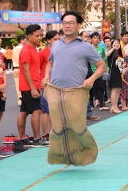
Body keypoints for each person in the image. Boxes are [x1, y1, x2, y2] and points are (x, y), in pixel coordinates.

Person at [42, 11, 106, 165]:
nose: (67, 26)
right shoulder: (56, 45)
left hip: (77, 92)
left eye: (71, 23)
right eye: (64, 23)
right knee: (58, 126)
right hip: (55, 91)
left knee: (76, 126)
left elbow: (101, 66)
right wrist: (46, 76)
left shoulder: (86, 47)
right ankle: (59, 156)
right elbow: (50, 62)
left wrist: (91, 79)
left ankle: (84, 154)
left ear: (78, 25)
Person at [16, 24, 46, 147]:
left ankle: (22, 138)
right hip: (29, 87)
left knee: (23, 112)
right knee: (37, 111)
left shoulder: (34, 49)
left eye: (40, 35)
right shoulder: (26, 50)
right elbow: (26, 71)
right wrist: (33, 88)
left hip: (33, 85)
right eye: (37, 36)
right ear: (29, 36)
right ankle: (37, 138)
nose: (39, 38)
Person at [38, 30, 59, 143]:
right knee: (45, 111)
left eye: (58, 39)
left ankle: (53, 132)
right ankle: (45, 134)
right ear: (49, 40)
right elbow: (38, 68)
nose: (57, 41)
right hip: (46, 85)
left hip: (58, 84)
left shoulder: (60, 52)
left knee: (54, 110)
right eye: (55, 39)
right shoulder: (42, 53)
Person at [0, 28, 11, 157]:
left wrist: (4, 85)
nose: (0, 40)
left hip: (0, 89)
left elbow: (3, 70)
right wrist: (0, 87)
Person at [90, 32, 109, 111]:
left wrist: (106, 70)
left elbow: (104, 59)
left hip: (100, 71)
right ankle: (91, 105)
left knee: (101, 87)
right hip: (90, 71)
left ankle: (102, 104)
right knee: (91, 89)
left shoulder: (101, 48)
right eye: (94, 38)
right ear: (91, 39)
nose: (96, 40)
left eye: (98, 38)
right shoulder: (89, 48)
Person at [107, 39, 123, 113]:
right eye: (115, 43)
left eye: (118, 43)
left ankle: (115, 106)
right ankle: (113, 107)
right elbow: (106, 55)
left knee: (118, 89)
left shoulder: (119, 52)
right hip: (113, 71)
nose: (117, 44)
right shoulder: (111, 51)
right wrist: (113, 48)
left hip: (119, 71)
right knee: (114, 90)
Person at [13, 35, 27, 106]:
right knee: (25, 84)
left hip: (15, 68)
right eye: (25, 39)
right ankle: (25, 99)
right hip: (22, 68)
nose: (26, 41)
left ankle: (20, 100)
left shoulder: (14, 48)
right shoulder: (23, 48)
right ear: (21, 40)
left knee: (17, 85)